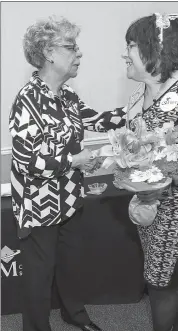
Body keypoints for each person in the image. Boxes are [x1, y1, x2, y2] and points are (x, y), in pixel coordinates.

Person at [84, 13, 178, 331]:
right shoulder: (138, 100)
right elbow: (122, 135)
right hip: (147, 209)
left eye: (130, 45)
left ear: (154, 50)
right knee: (169, 285)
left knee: (161, 286)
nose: (124, 53)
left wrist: (166, 165)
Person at [9, 15, 104, 331]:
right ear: (48, 52)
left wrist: (134, 112)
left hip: (69, 200)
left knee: (70, 266)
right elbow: (27, 161)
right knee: (39, 277)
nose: (79, 54)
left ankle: (73, 314)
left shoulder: (68, 94)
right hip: (38, 207)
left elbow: (94, 119)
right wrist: (73, 160)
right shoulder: (27, 100)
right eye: (71, 47)